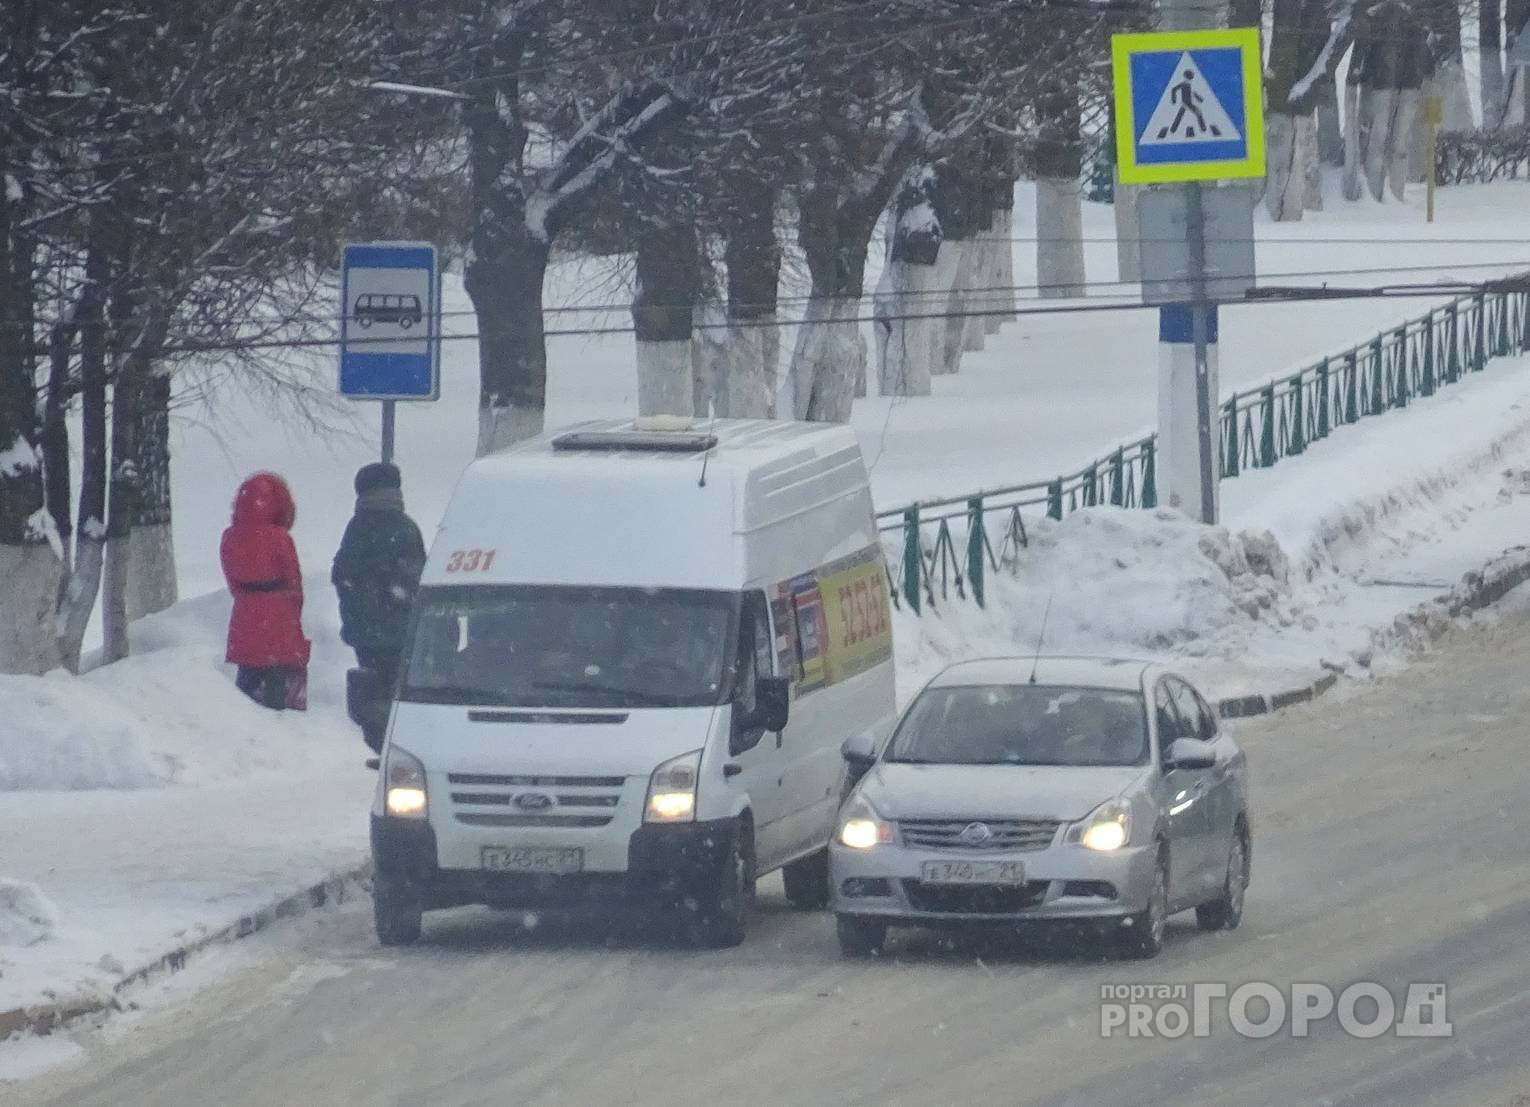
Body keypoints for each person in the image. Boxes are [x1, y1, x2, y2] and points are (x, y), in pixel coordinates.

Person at [332, 463, 427, 714]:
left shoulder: (357, 528)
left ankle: (375, 727)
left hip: (365, 630)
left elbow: (343, 576)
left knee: (373, 693)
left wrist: (357, 611)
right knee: (398, 691)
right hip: (403, 630)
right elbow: (419, 577)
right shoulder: (407, 527)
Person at [220, 472, 310, 710]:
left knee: (247, 674)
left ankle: (244, 719)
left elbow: (232, 581)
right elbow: (294, 581)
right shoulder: (281, 538)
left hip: (245, 614)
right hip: (279, 614)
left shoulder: (230, 536)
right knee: (276, 678)